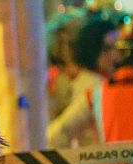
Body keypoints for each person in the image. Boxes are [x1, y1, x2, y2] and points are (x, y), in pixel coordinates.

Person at [48, 17, 120, 148]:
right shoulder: (93, 85)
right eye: (107, 49)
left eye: (117, 47)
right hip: (94, 163)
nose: (115, 55)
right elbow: (59, 132)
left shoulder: (97, 80)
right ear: (93, 49)